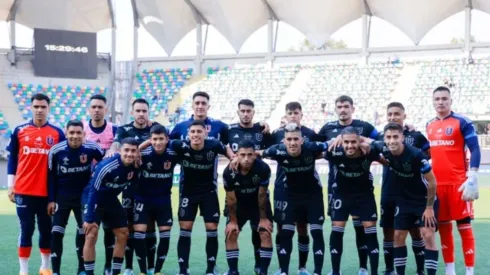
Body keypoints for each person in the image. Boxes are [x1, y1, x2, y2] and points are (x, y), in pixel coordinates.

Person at [318, 95, 379, 275]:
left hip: (363, 191)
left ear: (353, 108)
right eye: (339, 106)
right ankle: (335, 271)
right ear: (335, 109)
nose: (343, 109)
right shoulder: (327, 128)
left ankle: (364, 268)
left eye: (346, 106)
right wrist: (331, 142)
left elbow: (384, 139)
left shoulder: (365, 127)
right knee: (338, 227)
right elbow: (313, 143)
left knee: (363, 227)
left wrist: (365, 141)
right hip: (337, 188)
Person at [7, 93, 66, 275]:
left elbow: (60, 164)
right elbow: (12, 160)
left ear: (48, 108)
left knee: (45, 230)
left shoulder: (57, 133)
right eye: (36, 106)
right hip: (23, 191)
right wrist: (11, 184)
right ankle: (23, 271)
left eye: (43, 107)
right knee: (26, 230)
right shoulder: (19, 130)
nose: (39, 110)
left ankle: (45, 268)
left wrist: (55, 195)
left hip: (46, 193)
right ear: (31, 108)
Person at [370, 123, 439, 275]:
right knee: (398, 236)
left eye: (395, 137)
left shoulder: (416, 155)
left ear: (402, 137)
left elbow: (432, 182)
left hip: (424, 200)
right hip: (403, 200)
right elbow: (366, 143)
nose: (392, 140)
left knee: (427, 235)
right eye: (388, 137)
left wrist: (428, 208)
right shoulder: (382, 148)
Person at [168, 120, 234, 275]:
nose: (196, 135)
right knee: (185, 229)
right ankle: (183, 270)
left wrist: (233, 158)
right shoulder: (179, 145)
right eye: (193, 132)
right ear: (188, 134)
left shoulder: (214, 145)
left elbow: (227, 150)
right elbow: (158, 142)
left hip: (209, 193)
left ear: (205, 133)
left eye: (199, 132)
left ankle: (211, 270)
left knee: (212, 229)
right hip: (187, 193)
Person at [426, 86, 480, 275]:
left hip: (459, 185)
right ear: (433, 101)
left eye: (444, 99)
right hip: (438, 185)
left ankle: (469, 271)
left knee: (464, 227)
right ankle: (450, 270)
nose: (440, 102)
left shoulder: (462, 122)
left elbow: (475, 148)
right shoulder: (429, 125)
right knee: (444, 228)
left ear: (450, 101)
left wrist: (472, 174)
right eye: (437, 99)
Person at [261, 123, 326, 275]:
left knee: (316, 232)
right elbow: (258, 153)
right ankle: (284, 271)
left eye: (296, 139)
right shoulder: (277, 150)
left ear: (302, 140)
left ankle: (314, 271)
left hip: (312, 196)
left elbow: (330, 145)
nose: (292, 142)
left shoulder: (311, 147)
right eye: (289, 139)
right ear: (284, 141)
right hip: (290, 196)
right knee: (286, 232)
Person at [108, 98, 160, 275]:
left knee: (150, 227)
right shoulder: (124, 130)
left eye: (144, 111)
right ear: (132, 112)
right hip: (129, 186)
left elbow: (162, 142)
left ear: (148, 112)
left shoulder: (155, 128)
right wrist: (112, 150)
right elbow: (117, 146)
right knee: (129, 226)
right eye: (138, 111)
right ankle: (129, 267)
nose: (141, 114)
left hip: (151, 186)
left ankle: (151, 267)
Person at [377, 102, 430, 275]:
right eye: (390, 114)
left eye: (396, 114)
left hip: (410, 194)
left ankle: (420, 269)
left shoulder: (415, 136)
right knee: (388, 231)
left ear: (404, 115)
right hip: (388, 190)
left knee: (415, 231)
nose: (393, 117)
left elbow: (427, 156)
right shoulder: (381, 136)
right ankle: (389, 269)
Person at [47, 120, 104, 275]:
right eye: (71, 132)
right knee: (56, 232)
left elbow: (104, 164)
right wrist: (51, 199)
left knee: (83, 232)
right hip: (62, 197)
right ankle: (56, 271)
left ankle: (81, 269)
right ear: (66, 133)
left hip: (83, 198)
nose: (75, 136)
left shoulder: (92, 148)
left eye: (78, 132)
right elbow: (50, 176)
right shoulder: (56, 151)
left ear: (84, 134)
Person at [82, 137, 140, 275]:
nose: (130, 154)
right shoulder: (106, 166)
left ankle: (115, 272)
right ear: (119, 151)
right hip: (93, 199)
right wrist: (89, 218)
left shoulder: (135, 166)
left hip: (111, 200)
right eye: (126, 150)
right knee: (91, 233)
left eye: (133, 151)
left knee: (123, 233)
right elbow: (93, 191)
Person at [226, 99, 271, 273]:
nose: (246, 114)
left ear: (253, 112)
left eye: (249, 111)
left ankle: (260, 266)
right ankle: (233, 270)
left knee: (259, 231)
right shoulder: (229, 130)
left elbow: (274, 146)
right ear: (238, 112)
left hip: (258, 185)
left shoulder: (262, 130)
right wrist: (233, 158)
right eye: (242, 111)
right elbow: (223, 146)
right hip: (238, 186)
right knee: (231, 231)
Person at [133, 125, 179, 275]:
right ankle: (143, 271)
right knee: (139, 233)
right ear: (150, 140)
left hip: (163, 199)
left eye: (161, 139)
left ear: (167, 139)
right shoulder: (142, 154)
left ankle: (158, 271)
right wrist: (141, 147)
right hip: (143, 199)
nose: (158, 142)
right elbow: (130, 154)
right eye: (155, 139)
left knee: (165, 234)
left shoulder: (174, 153)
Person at [223, 140, 273, 275]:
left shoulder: (263, 168)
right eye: (243, 154)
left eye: (250, 155)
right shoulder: (229, 172)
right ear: (236, 155)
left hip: (258, 204)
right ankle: (233, 271)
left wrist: (263, 219)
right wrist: (233, 222)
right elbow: (231, 199)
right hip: (238, 205)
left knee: (265, 232)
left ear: (255, 155)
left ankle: (263, 271)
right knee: (231, 233)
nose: (246, 158)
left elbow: (262, 195)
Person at [84, 94, 118, 275]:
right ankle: (84, 269)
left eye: (100, 107)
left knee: (109, 229)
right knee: (87, 228)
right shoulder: (81, 129)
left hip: (109, 187)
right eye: (93, 107)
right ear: (89, 109)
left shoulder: (115, 129)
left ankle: (107, 266)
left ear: (106, 109)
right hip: (87, 187)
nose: (96, 110)